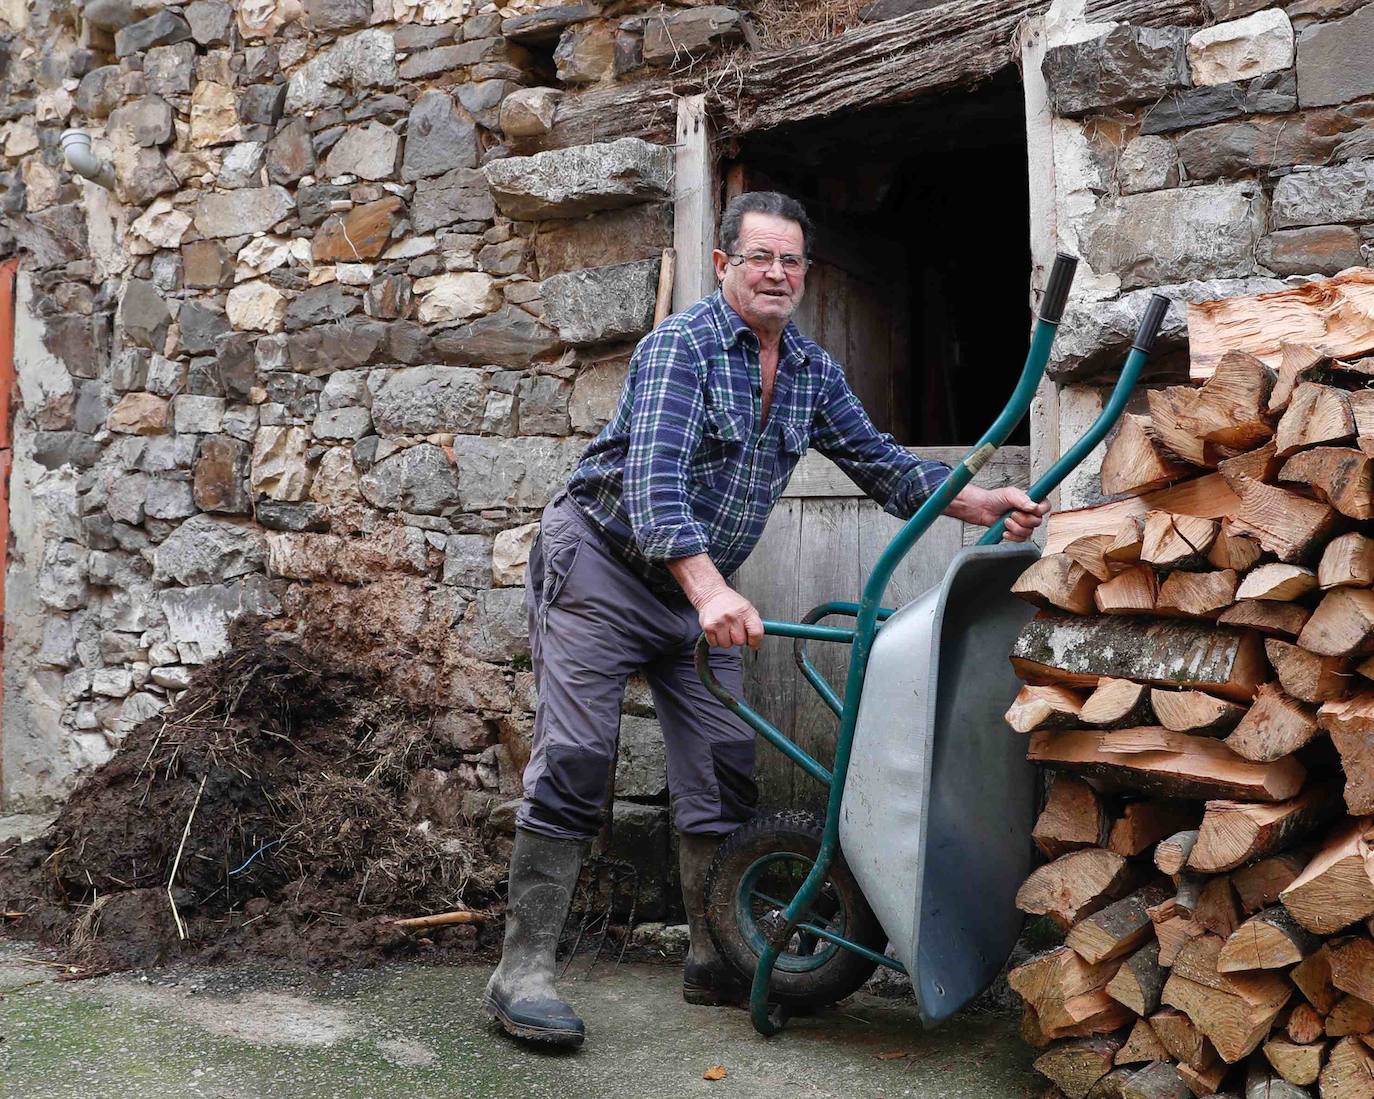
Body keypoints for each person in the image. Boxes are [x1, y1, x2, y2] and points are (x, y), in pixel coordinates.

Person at [483, 191, 1049, 1048]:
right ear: (723, 266)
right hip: (603, 563)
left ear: (805, 273)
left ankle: (715, 951)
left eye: (790, 260)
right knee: (575, 755)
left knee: (722, 763)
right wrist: (710, 590)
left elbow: (883, 466)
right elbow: (653, 488)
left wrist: (979, 502)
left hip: (699, 588)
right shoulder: (681, 346)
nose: (777, 273)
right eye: (759, 258)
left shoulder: (813, 372)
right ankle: (520, 971)